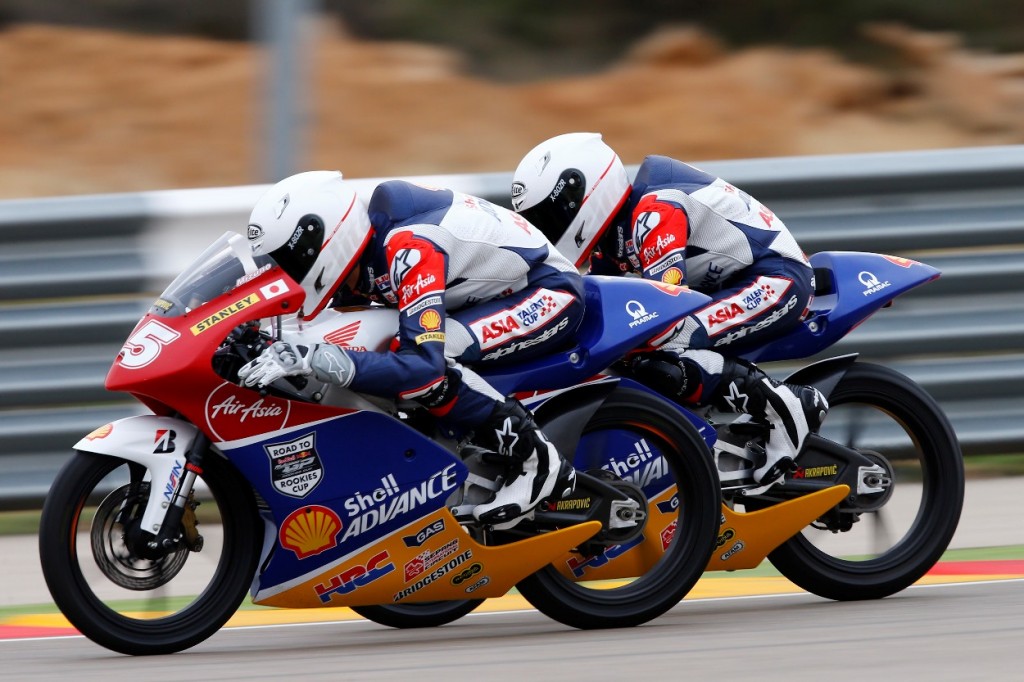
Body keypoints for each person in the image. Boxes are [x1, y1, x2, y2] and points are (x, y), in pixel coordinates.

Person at [237, 170, 581, 528]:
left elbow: (423, 366)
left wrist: (318, 359)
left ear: (322, 240)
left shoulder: (410, 247)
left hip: (546, 292)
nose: (288, 275)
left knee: (420, 368)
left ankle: (538, 462)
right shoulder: (360, 252)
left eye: (289, 262)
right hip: (487, 296)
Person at [510, 133, 827, 491]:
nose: (549, 230)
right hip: (728, 288)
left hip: (776, 279)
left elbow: (667, 302)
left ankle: (787, 405)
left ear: (584, 192)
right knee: (631, 355)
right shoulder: (610, 243)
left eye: (551, 217)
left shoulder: (655, 209)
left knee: (668, 342)